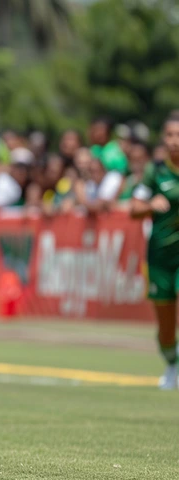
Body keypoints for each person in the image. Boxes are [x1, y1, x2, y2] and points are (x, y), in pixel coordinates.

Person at [131, 114, 179, 390]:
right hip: (160, 258)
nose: (173, 141)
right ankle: (172, 363)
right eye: (169, 135)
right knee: (165, 326)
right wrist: (150, 203)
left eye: (178, 135)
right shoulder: (155, 171)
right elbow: (134, 209)